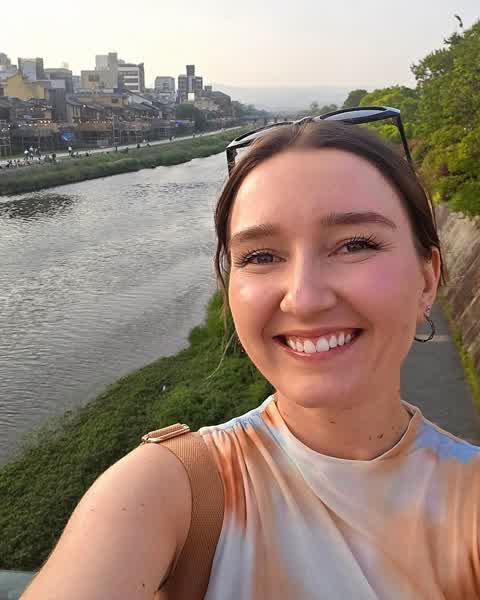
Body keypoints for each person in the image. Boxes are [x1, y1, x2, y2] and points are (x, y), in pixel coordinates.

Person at [20, 118, 480, 600]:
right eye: (261, 256)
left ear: (427, 279)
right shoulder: (165, 493)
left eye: (355, 244)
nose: (303, 299)